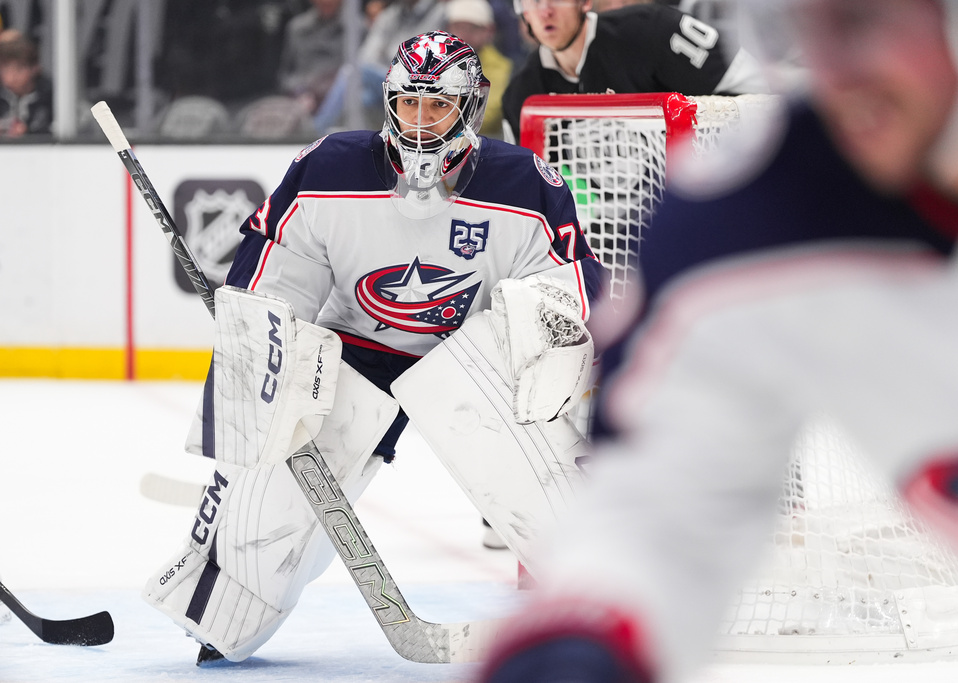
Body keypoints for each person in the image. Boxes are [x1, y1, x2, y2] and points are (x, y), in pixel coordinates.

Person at [478, 1, 958, 682]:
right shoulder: (740, 228)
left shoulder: (650, 46)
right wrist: (577, 645)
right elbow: (662, 510)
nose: (834, 74)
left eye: (860, 25)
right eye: (800, 32)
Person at [142, 30, 605, 666]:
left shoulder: (525, 186)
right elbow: (268, 294)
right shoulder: (329, 167)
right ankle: (227, 595)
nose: (419, 123)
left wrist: (554, 389)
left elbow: (571, 305)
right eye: (408, 103)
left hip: (475, 358)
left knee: (566, 520)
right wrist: (257, 377)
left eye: (437, 106)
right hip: (353, 356)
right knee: (241, 593)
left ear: (470, 107)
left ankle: (602, 601)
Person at [500, 0, 768, 142]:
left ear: (584, 2)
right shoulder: (520, 95)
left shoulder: (653, 29)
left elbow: (759, 98)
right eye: (533, 1)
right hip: (601, 224)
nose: (545, 10)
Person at [447, 0, 513, 140]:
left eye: (472, 28)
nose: (463, 35)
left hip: (482, 142)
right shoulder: (439, 60)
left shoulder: (501, 66)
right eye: (458, 27)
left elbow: (487, 117)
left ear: (489, 30)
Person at [278, 0, 349, 113]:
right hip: (302, 100)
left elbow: (354, 74)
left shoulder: (355, 30)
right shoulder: (297, 28)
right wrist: (300, 93)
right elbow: (287, 74)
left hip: (341, 101)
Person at [0, 31, 51, 138]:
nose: (11, 77)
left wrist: (29, 132)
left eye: (19, 69)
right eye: (5, 69)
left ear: (35, 68)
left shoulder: (51, 98)